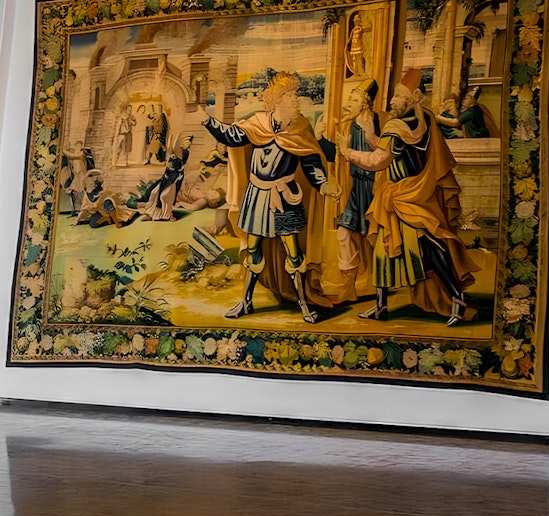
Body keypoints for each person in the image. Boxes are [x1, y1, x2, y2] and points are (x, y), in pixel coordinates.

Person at [338, 69, 479, 325]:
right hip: (412, 191)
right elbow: (394, 149)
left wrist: (346, 152)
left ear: (412, 97)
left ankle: (457, 297)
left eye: (398, 96)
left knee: (427, 248)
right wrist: (371, 136)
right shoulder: (422, 118)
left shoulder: (396, 125)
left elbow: (378, 160)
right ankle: (381, 306)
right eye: (392, 95)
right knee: (384, 248)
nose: (391, 101)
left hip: (405, 195)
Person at [202, 72, 340, 323]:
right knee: (253, 249)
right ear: (277, 100)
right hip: (257, 197)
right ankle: (245, 302)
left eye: (296, 95)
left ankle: (303, 305)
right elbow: (231, 136)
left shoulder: (300, 128)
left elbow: (310, 162)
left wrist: (323, 184)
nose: (296, 100)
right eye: (291, 96)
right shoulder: (257, 124)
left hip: (286, 198)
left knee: (293, 253)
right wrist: (207, 121)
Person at [333, 79, 380, 296]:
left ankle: (378, 285)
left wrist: (370, 140)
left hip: (373, 188)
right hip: (356, 187)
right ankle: (348, 286)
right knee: (344, 232)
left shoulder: (377, 123)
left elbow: (382, 156)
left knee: (374, 236)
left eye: (353, 99)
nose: (348, 103)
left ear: (365, 102)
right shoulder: (350, 125)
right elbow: (339, 153)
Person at [137, 135, 192, 221]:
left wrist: (174, 161)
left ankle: (169, 215)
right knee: (154, 193)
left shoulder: (185, 153)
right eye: (186, 142)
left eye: (188, 143)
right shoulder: (177, 151)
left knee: (165, 196)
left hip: (175, 177)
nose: (187, 144)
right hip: (168, 175)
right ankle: (152, 215)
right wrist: (170, 159)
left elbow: (180, 164)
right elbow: (169, 161)